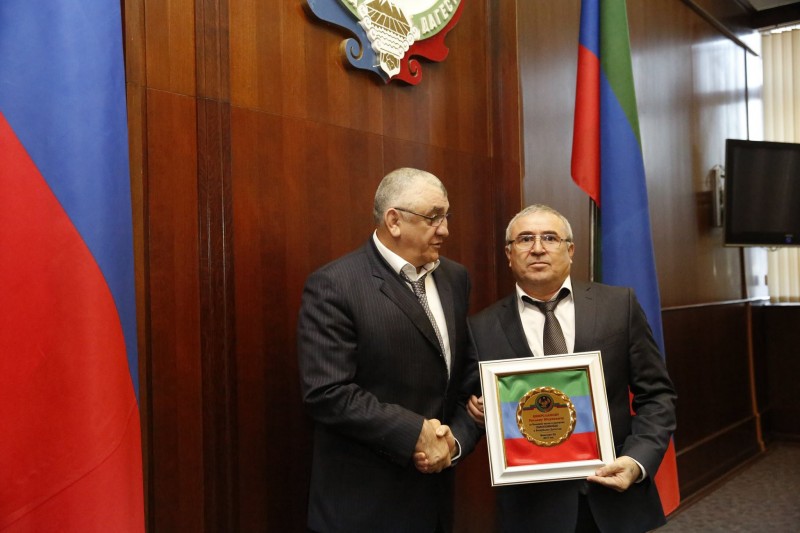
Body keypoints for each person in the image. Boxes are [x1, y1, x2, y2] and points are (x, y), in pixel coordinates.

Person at [467, 204, 677, 533]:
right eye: (525, 239)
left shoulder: (618, 306)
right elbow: (473, 406)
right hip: (533, 509)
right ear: (509, 254)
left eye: (550, 238)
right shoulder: (481, 328)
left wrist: (637, 461)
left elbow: (657, 396)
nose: (538, 248)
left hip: (614, 495)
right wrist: (480, 412)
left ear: (571, 250)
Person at [298, 168, 482, 532]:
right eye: (434, 217)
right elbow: (326, 392)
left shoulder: (455, 278)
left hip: (436, 504)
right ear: (394, 221)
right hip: (364, 509)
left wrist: (454, 444)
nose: (445, 230)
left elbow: (466, 380)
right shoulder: (334, 285)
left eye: (446, 216)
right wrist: (415, 433)